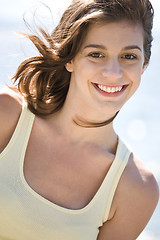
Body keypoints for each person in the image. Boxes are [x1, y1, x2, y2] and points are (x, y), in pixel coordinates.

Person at [0, 0, 159, 239]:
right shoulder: (7, 115)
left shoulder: (136, 189)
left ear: (144, 65)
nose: (113, 73)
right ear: (70, 58)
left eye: (129, 56)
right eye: (96, 54)